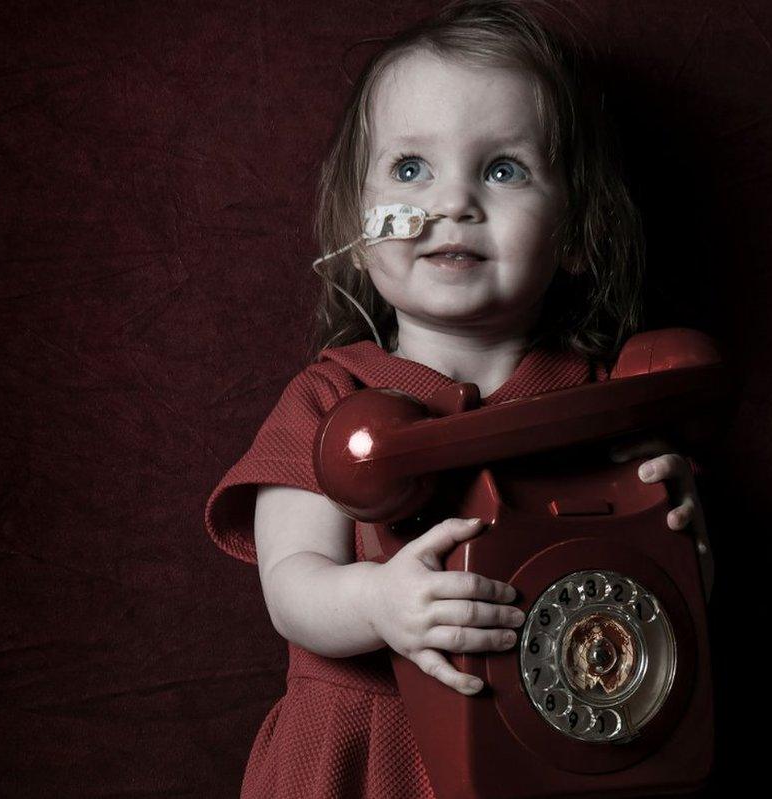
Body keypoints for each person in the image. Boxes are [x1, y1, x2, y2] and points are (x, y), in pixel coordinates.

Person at [204, 2, 707, 797]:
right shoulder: (329, 395)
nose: (452, 203)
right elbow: (291, 585)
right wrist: (378, 602)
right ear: (356, 224)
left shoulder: (606, 404)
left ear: (577, 230)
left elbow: (666, 604)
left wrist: (686, 534)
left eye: (503, 169)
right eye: (411, 169)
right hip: (366, 755)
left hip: (554, 748)